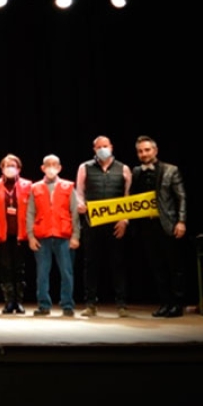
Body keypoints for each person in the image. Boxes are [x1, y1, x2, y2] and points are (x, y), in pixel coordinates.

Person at [131, 136, 187, 318]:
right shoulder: (137, 171)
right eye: (140, 151)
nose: (144, 154)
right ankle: (165, 303)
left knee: (174, 266)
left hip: (168, 224)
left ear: (155, 150)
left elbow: (181, 197)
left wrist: (181, 221)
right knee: (157, 267)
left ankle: (177, 304)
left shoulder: (171, 170)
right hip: (147, 226)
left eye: (147, 150)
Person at [76, 135, 132, 317]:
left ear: (111, 147)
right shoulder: (84, 167)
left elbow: (128, 197)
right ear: (94, 149)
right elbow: (79, 192)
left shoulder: (123, 169)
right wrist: (81, 205)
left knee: (118, 263)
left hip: (116, 224)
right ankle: (91, 304)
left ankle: (122, 304)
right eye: (98, 146)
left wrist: (124, 220)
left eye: (105, 146)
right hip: (92, 223)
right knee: (91, 264)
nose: (102, 149)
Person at [26, 155, 80, 317]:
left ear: (59, 167)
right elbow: (30, 213)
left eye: (54, 164)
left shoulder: (68, 186)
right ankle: (43, 305)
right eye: (48, 165)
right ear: (42, 168)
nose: (51, 167)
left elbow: (75, 212)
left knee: (66, 272)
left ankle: (67, 305)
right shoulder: (35, 187)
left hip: (63, 236)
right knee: (42, 273)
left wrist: (75, 236)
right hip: (42, 236)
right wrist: (31, 236)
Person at [0, 154, 32, 314]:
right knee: (5, 268)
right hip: (1, 235)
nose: (9, 168)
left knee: (20, 268)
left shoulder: (28, 185)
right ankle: (9, 302)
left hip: (21, 233)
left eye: (13, 165)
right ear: (2, 168)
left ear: (18, 168)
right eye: (6, 165)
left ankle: (19, 302)